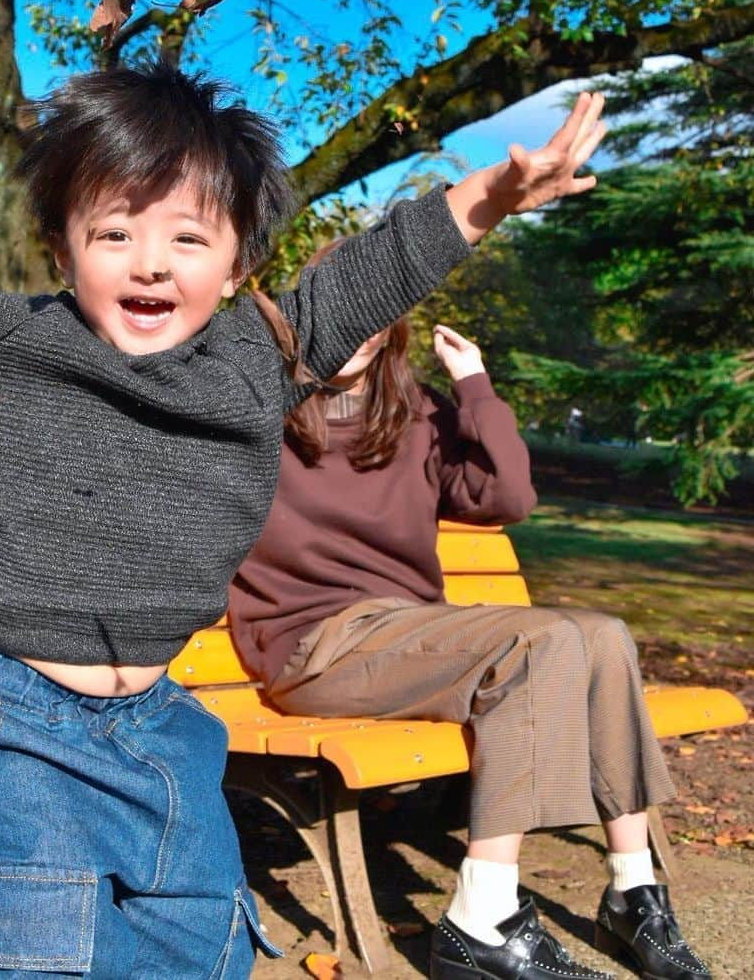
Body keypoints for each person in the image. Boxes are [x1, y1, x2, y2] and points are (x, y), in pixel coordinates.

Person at [0, 65, 605, 978]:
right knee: (37, 942)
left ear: (239, 258)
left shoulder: (259, 359)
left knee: (199, 937)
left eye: (188, 239)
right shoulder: (13, 341)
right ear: (62, 245)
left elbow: (372, 272)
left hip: (162, 726)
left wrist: (487, 195)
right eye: (114, 232)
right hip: (17, 721)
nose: (150, 261)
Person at [230, 293, 709, 980]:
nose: (357, 329)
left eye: (373, 310)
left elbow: (507, 498)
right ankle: (481, 920)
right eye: (339, 308)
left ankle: (635, 892)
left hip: (410, 637)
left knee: (603, 635)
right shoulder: (255, 411)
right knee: (540, 645)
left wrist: (474, 384)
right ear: (302, 319)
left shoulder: (417, 414)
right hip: (317, 649)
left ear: (394, 326)